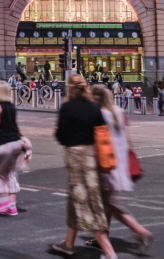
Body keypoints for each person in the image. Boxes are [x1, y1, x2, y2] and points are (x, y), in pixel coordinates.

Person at [50, 74, 116, 259]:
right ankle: (68, 244)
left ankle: (111, 254)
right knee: (77, 199)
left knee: (86, 205)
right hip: (92, 157)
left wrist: (60, 133)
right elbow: (102, 134)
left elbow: (61, 137)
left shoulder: (67, 107)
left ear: (70, 87)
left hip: (75, 158)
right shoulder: (95, 107)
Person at [88, 85, 152, 253]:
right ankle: (103, 236)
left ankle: (139, 231)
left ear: (97, 98)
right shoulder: (118, 111)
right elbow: (127, 139)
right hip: (119, 161)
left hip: (105, 162)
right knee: (108, 203)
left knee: (104, 204)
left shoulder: (100, 114)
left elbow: (95, 139)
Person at [0, 81, 27, 216]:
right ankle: (12, 206)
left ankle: (2, 201)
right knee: (10, 174)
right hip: (16, 143)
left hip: (3, 144)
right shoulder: (12, 107)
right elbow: (15, 126)